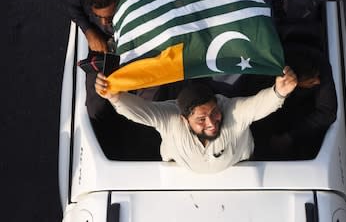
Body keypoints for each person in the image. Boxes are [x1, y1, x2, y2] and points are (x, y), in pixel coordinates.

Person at [94, 66, 298, 173]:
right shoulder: (170, 117)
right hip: (176, 177)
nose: (211, 122)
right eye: (201, 119)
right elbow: (138, 111)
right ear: (184, 119)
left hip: (241, 172)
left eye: (214, 112)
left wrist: (279, 92)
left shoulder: (230, 109)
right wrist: (113, 96)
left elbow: (256, 106)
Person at [249, 43, 337, 160]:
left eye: (317, 77)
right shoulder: (265, 77)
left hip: (303, 113)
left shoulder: (320, 64)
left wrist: (291, 136)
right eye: (310, 82)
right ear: (294, 83)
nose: (318, 82)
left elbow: (327, 113)